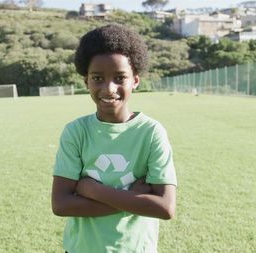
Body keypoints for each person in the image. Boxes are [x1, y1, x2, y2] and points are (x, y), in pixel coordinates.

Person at [51, 24, 177, 253]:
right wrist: (133, 199)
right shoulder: (76, 132)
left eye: (120, 78)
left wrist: (93, 190)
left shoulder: (151, 132)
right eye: (97, 78)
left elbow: (165, 207)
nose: (109, 88)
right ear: (86, 82)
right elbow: (61, 204)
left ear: (135, 80)